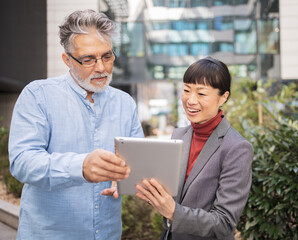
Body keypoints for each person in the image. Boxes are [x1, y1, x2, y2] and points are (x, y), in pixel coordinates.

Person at [8, 9, 143, 239]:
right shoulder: (38, 95)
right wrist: (80, 167)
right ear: (67, 60)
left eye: (107, 56)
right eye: (88, 59)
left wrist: (126, 179)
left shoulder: (125, 103)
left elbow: (137, 162)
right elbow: (22, 162)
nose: (100, 67)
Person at [103, 57, 253, 239]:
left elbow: (224, 224)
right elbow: (169, 197)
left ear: (223, 97)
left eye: (201, 93)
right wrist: (129, 183)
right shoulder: (179, 135)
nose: (190, 100)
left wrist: (174, 212)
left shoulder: (237, 148)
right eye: (186, 90)